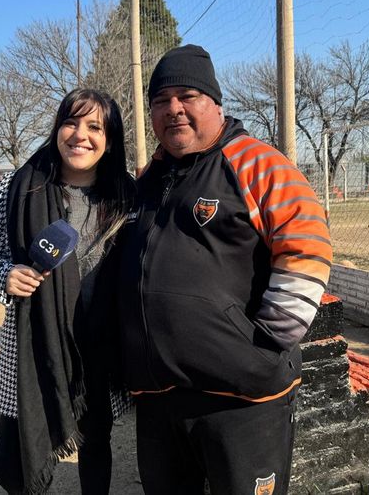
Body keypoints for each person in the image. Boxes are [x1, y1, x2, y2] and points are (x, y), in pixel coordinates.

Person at [114, 45, 332, 495]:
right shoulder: (146, 183)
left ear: (215, 103)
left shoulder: (259, 163)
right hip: (158, 402)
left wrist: (258, 349)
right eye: (160, 100)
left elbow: (306, 246)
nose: (173, 109)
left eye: (186, 96)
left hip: (241, 402)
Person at [0, 88, 134, 495]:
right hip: (33, 344)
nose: (80, 135)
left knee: (95, 444)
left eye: (94, 126)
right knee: (14, 459)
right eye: (70, 122)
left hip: (99, 346)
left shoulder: (126, 196)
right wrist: (5, 276)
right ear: (57, 129)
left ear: (109, 139)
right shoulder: (16, 188)